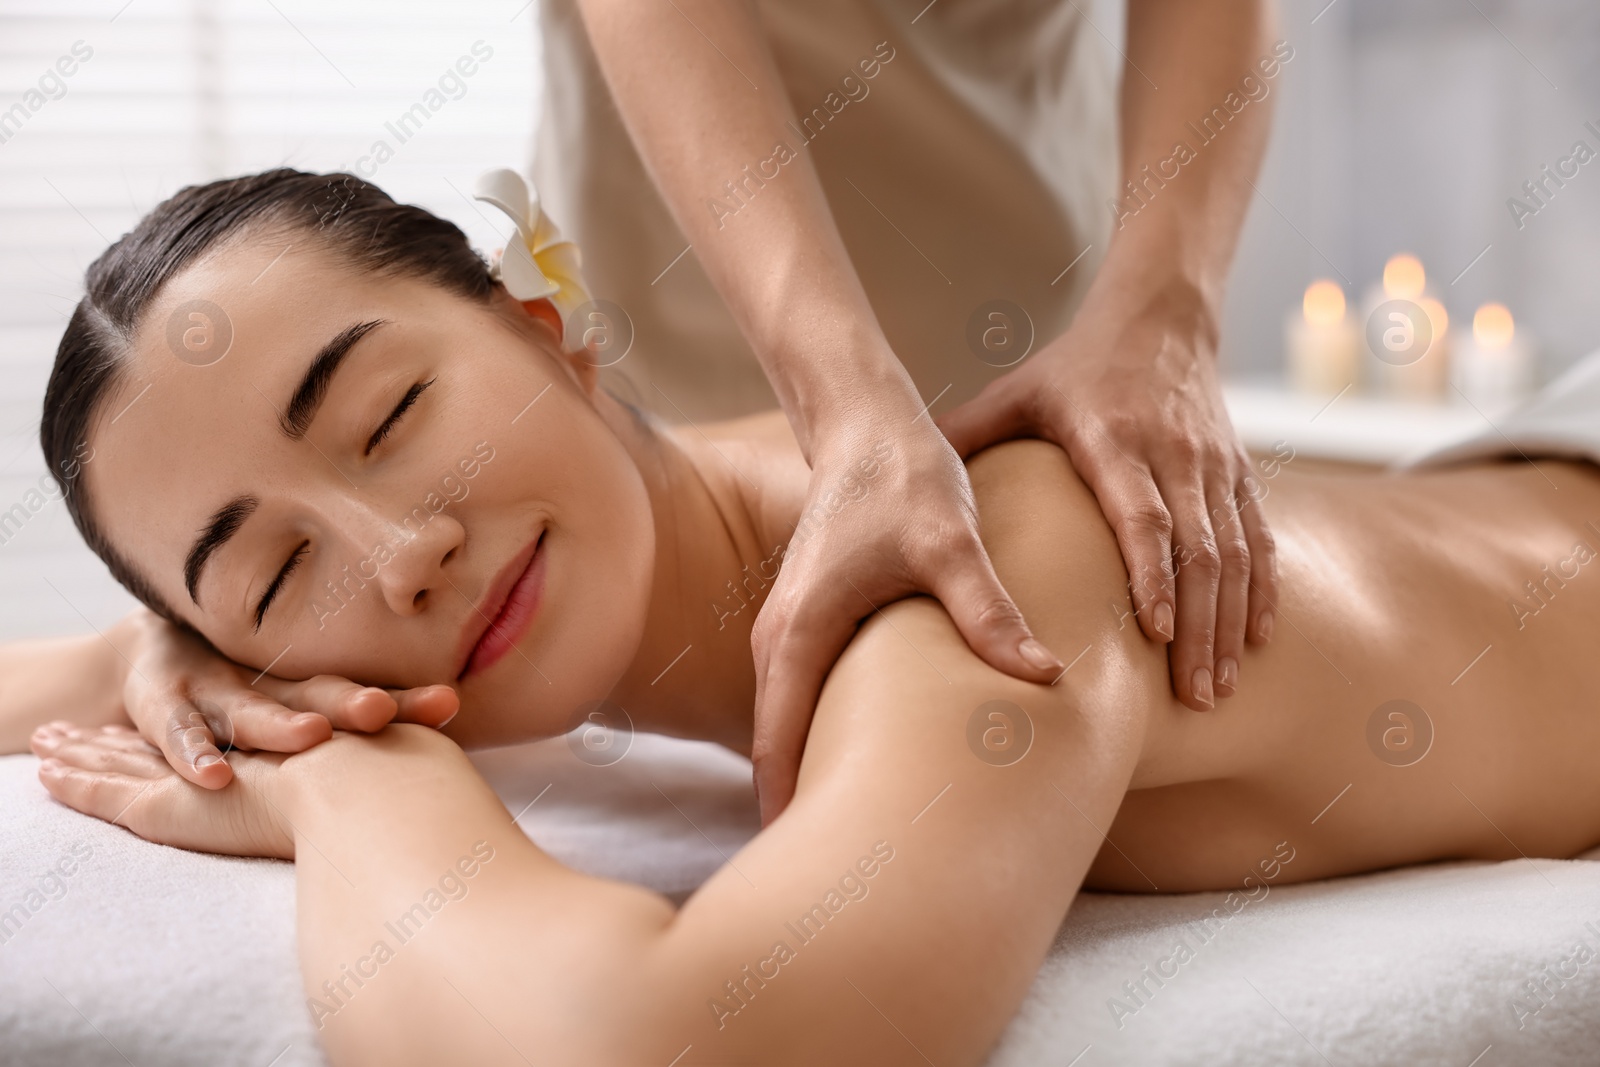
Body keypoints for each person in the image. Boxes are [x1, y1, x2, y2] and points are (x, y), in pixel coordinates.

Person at [14, 170, 1600, 1065]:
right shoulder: (708, 497)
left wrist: (353, 780)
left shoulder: (985, 570)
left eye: (389, 413)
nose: (402, 552)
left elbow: (685, 1051)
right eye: (278, 575)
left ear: (549, 332)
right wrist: (183, 650)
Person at [536, 0, 1287, 817]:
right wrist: (845, 403)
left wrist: (1165, 315)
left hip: (1033, 324)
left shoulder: (1041, 564)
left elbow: (745, 949)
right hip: (683, 277)